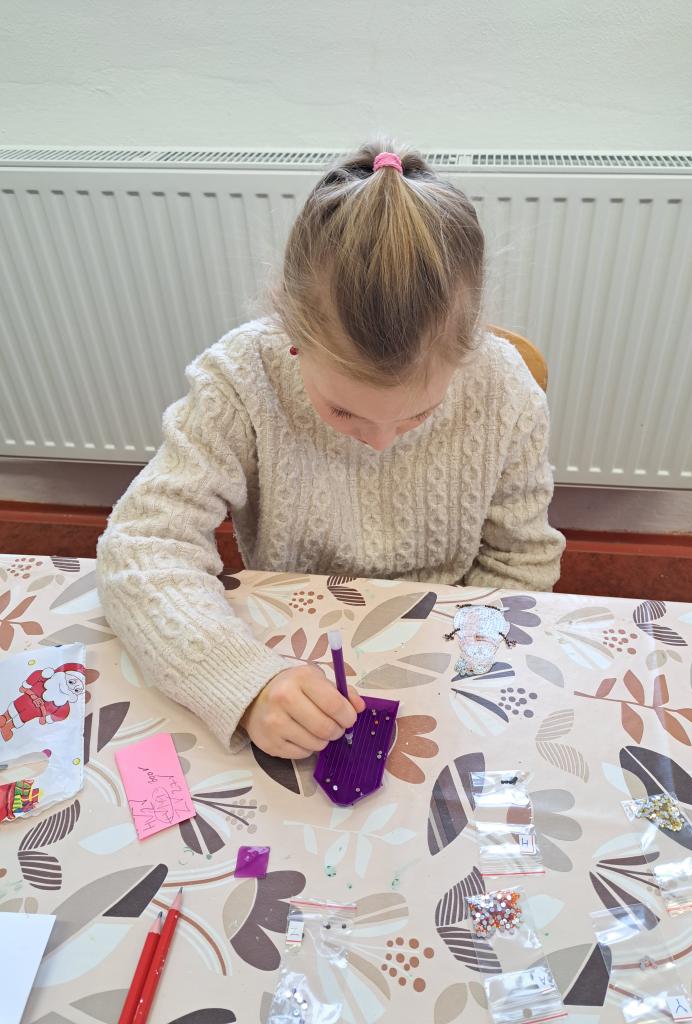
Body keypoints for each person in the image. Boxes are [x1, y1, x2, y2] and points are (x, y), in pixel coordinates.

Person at [97, 140, 565, 759]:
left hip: (447, 648)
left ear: (468, 349)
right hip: (281, 647)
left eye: (420, 414)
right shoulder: (242, 376)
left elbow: (520, 560)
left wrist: (467, 668)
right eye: (344, 411)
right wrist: (246, 683)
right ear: (290, 332)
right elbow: (142, 547)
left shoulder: (503, 387)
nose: (380, 442)